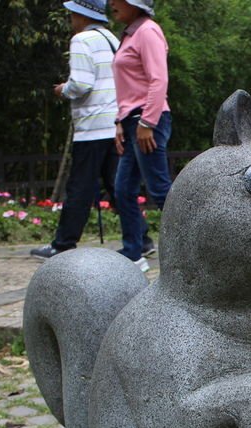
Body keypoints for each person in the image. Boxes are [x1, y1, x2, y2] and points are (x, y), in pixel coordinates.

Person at [31, 0, 120, 260]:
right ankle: (142, 238)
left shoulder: (82, 40)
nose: (71, 19)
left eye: (72, 14)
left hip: (91, 127)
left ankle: (63, 243)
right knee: (117, 187)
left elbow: (81, 84)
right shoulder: (112, 39)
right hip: (114, 125)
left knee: (80, 186)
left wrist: (63, 90)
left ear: (81, 15)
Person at [109, 0, 172, 273]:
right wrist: (120, 122)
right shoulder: (130, 34)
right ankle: (133, 251)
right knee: (123, 189)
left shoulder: (148, 31)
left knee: (159, 190)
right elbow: (128, 87)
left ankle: (197, 247)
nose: (111, 3)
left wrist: (147, 121)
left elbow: (159, 79)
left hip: (148, 119)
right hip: (132, 120)